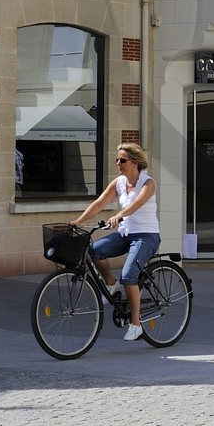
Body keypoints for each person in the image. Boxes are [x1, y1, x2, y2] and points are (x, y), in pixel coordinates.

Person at [72, 142, 160, 340]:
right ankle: (110, 284)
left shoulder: (148, 183)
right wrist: (78, 221)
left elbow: (137, 204)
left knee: (129, 276)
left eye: (122, 160)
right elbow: (99, 203)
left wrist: (119, 216)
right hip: (125, 234)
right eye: (117, 160)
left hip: (147, 235)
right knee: (95, 251)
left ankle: (136, 325)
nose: (118, 163)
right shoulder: (119, 182)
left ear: (135, 163)